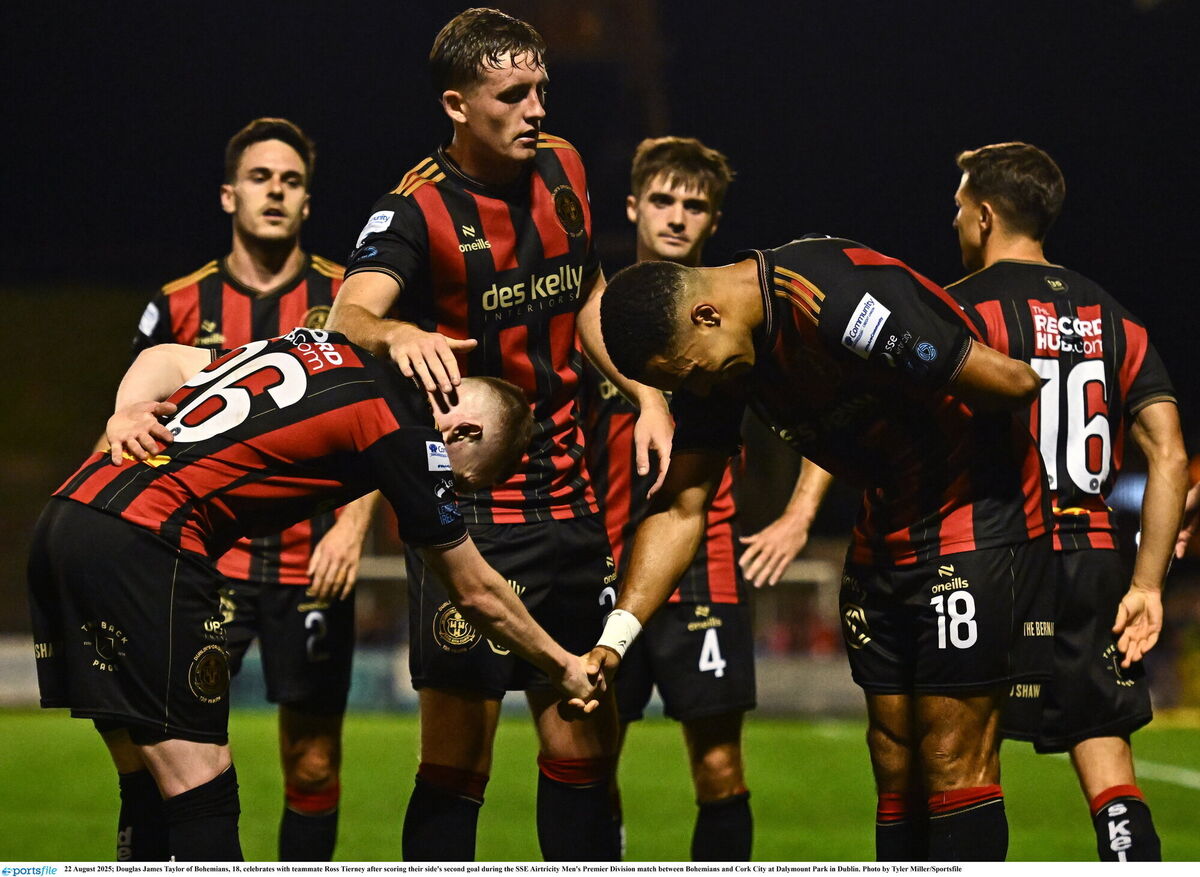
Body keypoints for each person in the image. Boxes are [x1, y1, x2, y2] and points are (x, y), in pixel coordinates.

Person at [29, 328, 602, 862]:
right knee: (201, 788)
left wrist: (125, 409)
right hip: (147, 543)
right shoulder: (412, 437)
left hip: (67, 517)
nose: (452, 492)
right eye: (464, 481)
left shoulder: (326, 348)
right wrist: (563, 666)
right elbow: (476, 591)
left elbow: (166, 357)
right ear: (462, 433)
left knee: (145, 769)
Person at [588, 235, 1071, 861]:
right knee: (893, 756)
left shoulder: (833, 299)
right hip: (886, 519)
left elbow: (1013, 382)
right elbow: (683, 506)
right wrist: (615, 638)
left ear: (704, 316)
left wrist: (914, 360)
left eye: (691, 374)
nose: (698, 391)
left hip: (971, 512)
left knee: (950, 754)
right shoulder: (723, 365)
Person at [325, 8, 671, 861]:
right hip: (472, 514)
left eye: (540, 89)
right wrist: (397, 333)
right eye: (511, 95)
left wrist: (642, 390)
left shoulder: (566, 168)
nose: (535, 109)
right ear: (456, 104)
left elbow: (584, 285)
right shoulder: (415, 209)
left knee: (585, 738)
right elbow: (348, 312)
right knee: (456, 762)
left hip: (571, 499)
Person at [123, 117, 370, 861]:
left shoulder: (345, 300)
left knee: (315, 761)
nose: (276, 192)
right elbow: (137, 428)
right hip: (203, 567)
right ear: (230, 195)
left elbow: (377, 425)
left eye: (291, 181)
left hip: (310, 566)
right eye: (261, 178)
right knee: (170, 759)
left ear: (306, 202)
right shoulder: (179, 304)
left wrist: (352, 527)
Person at [581, 137, 827, 860]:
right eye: (663, 199)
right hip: (604, 562)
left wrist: (801, 511)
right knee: (590, 761)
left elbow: (832, 403)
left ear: (715, 220)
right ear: (632, 207)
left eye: (696, 205)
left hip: (707, 562)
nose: (678, 217)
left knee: (719, 766)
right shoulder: (593, 315)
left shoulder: (743, 315)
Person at [947, 142, 1187, 861]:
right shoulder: (1116, 317)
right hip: (1094, 554)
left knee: (968, 753)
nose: (954, 219)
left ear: (985, 215)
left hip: (997, 550)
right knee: (1105, 746)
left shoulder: (960, 309)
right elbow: (1168, 451)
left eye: (959, 206)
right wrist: (1147, 584)